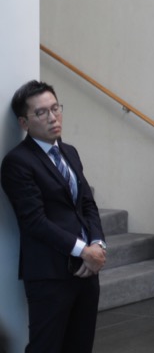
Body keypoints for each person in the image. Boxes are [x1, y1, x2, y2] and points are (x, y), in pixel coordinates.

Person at [1, 80, 107, 353]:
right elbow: (34, 221)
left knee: (80, 345)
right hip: (50, 273)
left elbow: (87, 203)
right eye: (41, 113)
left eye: (55, 108)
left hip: (86, 271)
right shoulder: (18, 162)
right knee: (45, 346)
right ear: (24, 122)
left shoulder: (69, 151)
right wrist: (83, 250)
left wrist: (97, 244)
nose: (53, 118)